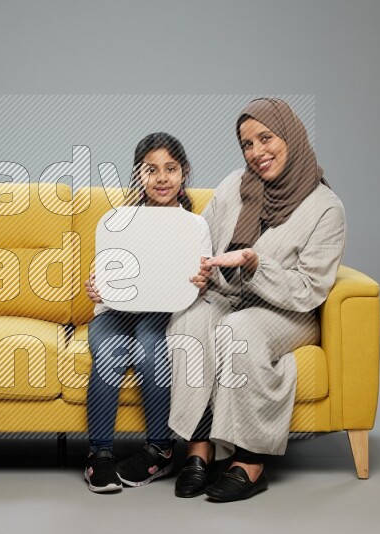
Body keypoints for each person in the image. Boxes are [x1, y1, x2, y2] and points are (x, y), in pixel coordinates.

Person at [168, 98, 346, 502]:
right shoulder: (235, 184)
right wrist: (197, 271)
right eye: (247, 144)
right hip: (227, 295)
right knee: (189, 321)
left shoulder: (325, 208)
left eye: (266, 138)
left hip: (285, 311)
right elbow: (203, 243)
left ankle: (250, 461)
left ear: (291, 137)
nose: (257, 152)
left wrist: (254, 265)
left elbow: (310, 289)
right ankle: (199, 447)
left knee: (238, 330)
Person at [83, 132, 212, 493]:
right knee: (108, 353)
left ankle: (160, 449)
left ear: (184, 173)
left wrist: (202, 280)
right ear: (139, 175)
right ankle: (100, 456)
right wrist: (97, 288)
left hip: (162, 310)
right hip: (115, 311)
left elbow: (198, 281)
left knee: (152, 347)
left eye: (170, 169)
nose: (161, 178)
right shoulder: (121, 220)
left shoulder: (195, 225)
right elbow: (107, 273)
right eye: (151, 169)